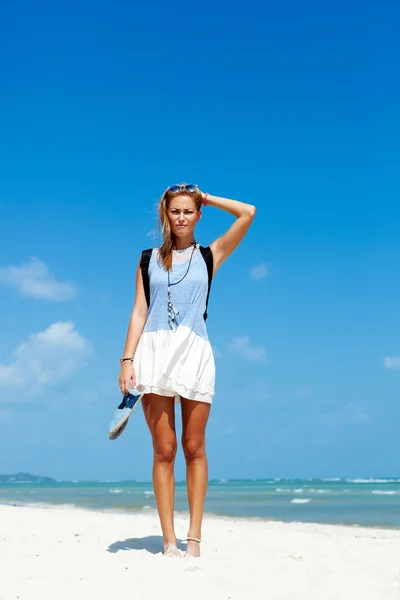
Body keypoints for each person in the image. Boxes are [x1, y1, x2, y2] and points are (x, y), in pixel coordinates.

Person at [118, 183, 256, 558]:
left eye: (188, 211)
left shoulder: (210, 256)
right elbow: (139, 312)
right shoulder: (148, 260)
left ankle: (193, 538)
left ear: (197, 215)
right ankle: (168, 540)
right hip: (154, 352)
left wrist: (207, 197)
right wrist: (127, 360)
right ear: (166, 214)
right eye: (174, 211)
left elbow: (248, 212)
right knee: (164, 450)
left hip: (194, 351)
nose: (181, 217)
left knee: (194, 447)